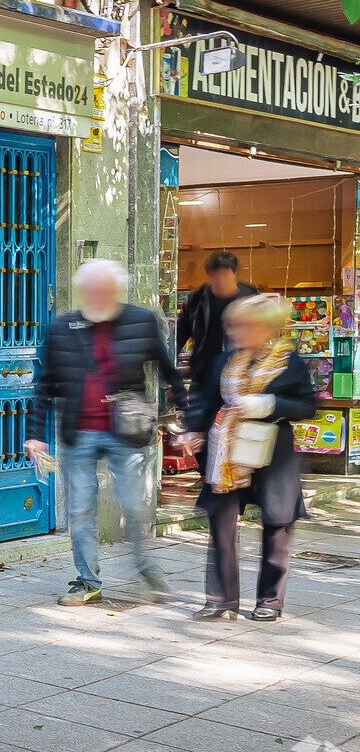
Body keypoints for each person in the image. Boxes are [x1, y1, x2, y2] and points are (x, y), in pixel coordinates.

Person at [25, 259, 185, 606]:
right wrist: (35, 434)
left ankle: (146, 570)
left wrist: (182, 410)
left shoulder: (141, 321)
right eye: (92, 290)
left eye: (106, 290)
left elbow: (168, 370)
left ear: (116, 291)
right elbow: (46, 383)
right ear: (82, 292)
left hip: (126, 431)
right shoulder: (63, 328)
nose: (98, 296)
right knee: (80, 509)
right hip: (79, 431)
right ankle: (88, 582)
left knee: (133, 504)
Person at [182, 292, 316, 621]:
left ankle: (269, 601)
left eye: (240, 326)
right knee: (221, 523)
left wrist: (265, 405)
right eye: (231, 325)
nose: (233, 332)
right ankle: (221, 599)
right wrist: (195, 430)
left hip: (272, 452)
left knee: (277, 524)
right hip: (226, 453)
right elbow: (206, 398)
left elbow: (307, 406)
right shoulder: (224, 361)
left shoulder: (289, 362)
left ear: (263, 329)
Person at [177, 251, 257, 423]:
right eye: (215, 276)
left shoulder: (251, 299)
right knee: (199, 426)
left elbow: (263, 334)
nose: (220, 281)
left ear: (234, 274)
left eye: (225, 275)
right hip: (204, 373)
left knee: (236, 426)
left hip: (242, 375)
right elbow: (180, 334)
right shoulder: (197, 300)